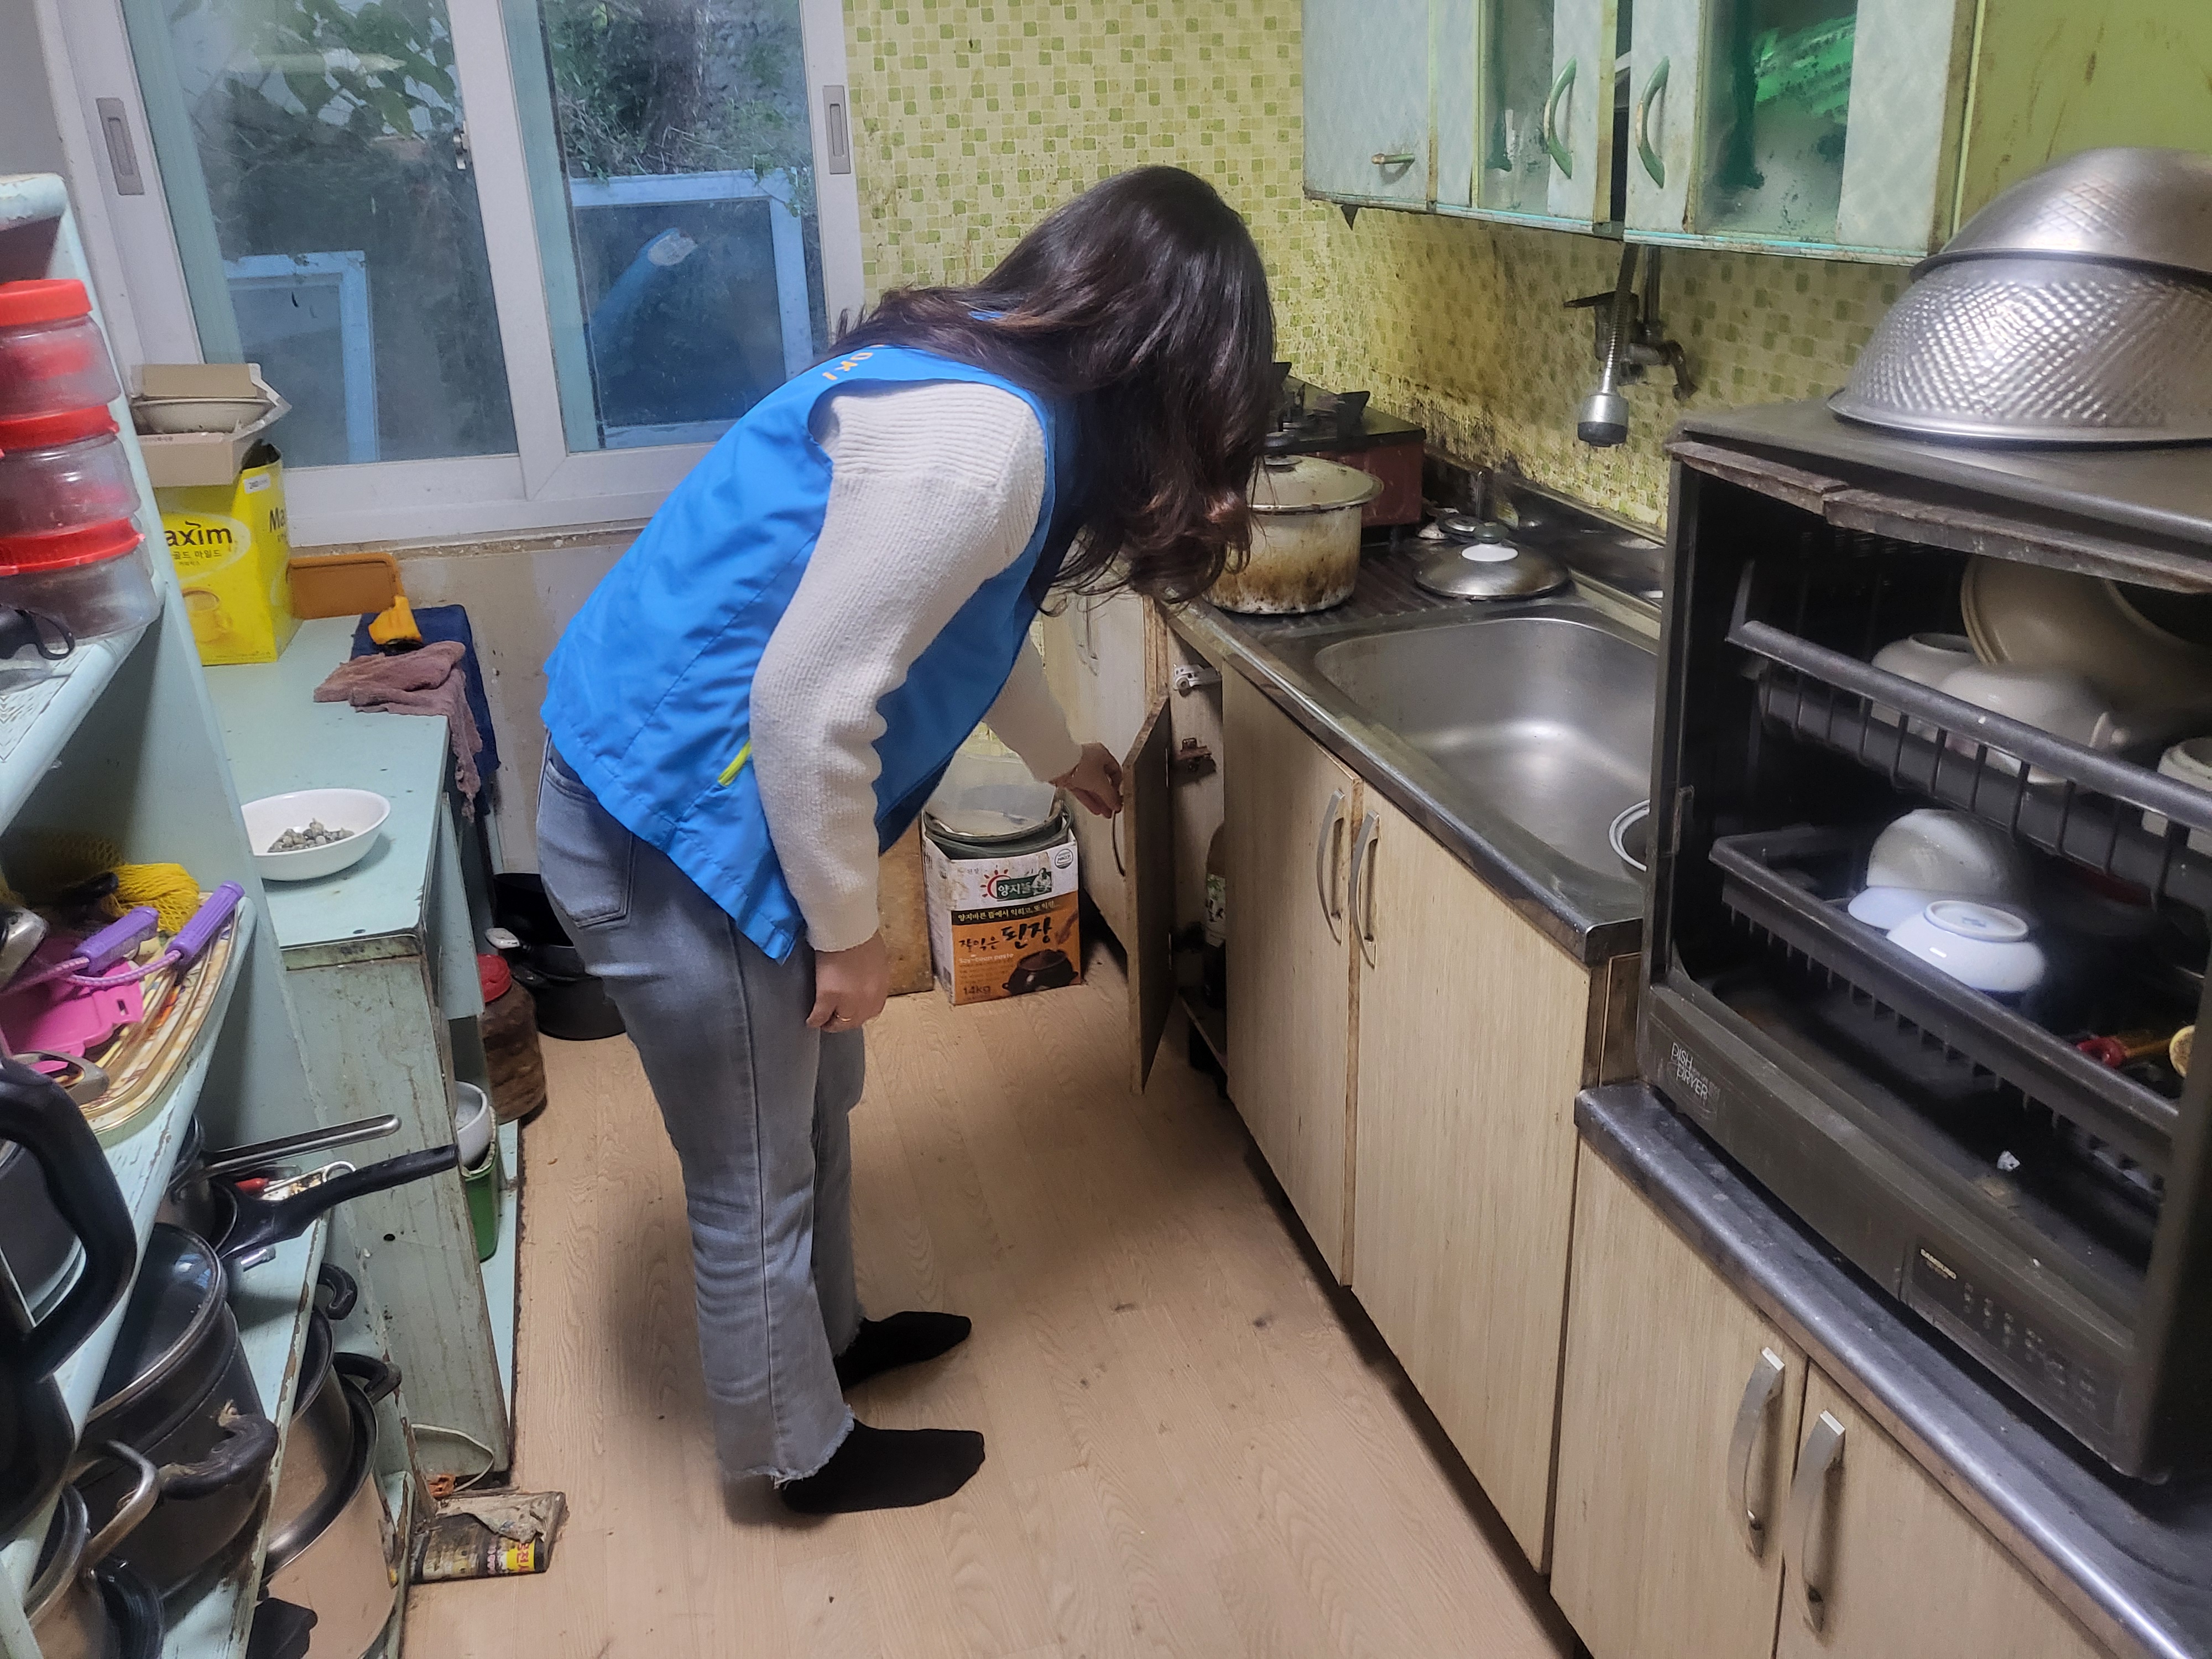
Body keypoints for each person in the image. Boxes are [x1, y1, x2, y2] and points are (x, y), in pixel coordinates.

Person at [535, 166, 1276, 1515]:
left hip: (703, 802)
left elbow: (965, 633)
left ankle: (828, 1347)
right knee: (752, 1170)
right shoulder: (980, 440)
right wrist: (850, 938)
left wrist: (1061, 762)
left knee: (819, 1100)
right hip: (661, 827)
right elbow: (806, 704)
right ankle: (796, 1457)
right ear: (1164, 367)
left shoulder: (1000, 402)